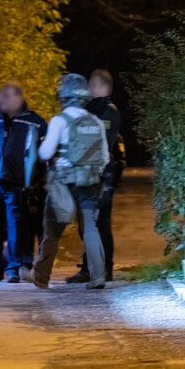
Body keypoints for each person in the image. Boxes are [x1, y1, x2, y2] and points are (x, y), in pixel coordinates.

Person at [23, 74, 109, 290]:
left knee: (51, 231)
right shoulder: (96, 121)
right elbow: (105, 157)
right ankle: (98, 276)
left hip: (63, 184)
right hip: (90, 183)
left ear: (63, 95)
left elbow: (44, 153)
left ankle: (41, 276)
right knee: (90, 227)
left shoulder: (59, 121)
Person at [0, 81, 47, 283]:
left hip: (17, 185)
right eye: (1, 96)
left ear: (19, 98)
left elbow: (45, 150)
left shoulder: (34, 122)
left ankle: (13, 269)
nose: (3, 99)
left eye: (8, 96)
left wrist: (35, 174)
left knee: (16, 229)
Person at [66, 69, 122, 284]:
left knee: (100, 224)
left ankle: (105, 268)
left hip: (101, 177)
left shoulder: (108, 112)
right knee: (87, 224)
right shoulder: (89, 110)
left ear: (100, 87)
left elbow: (101, 145)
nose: (87, 90)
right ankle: (90, 268)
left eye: (90, 86)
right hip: (85, 175)